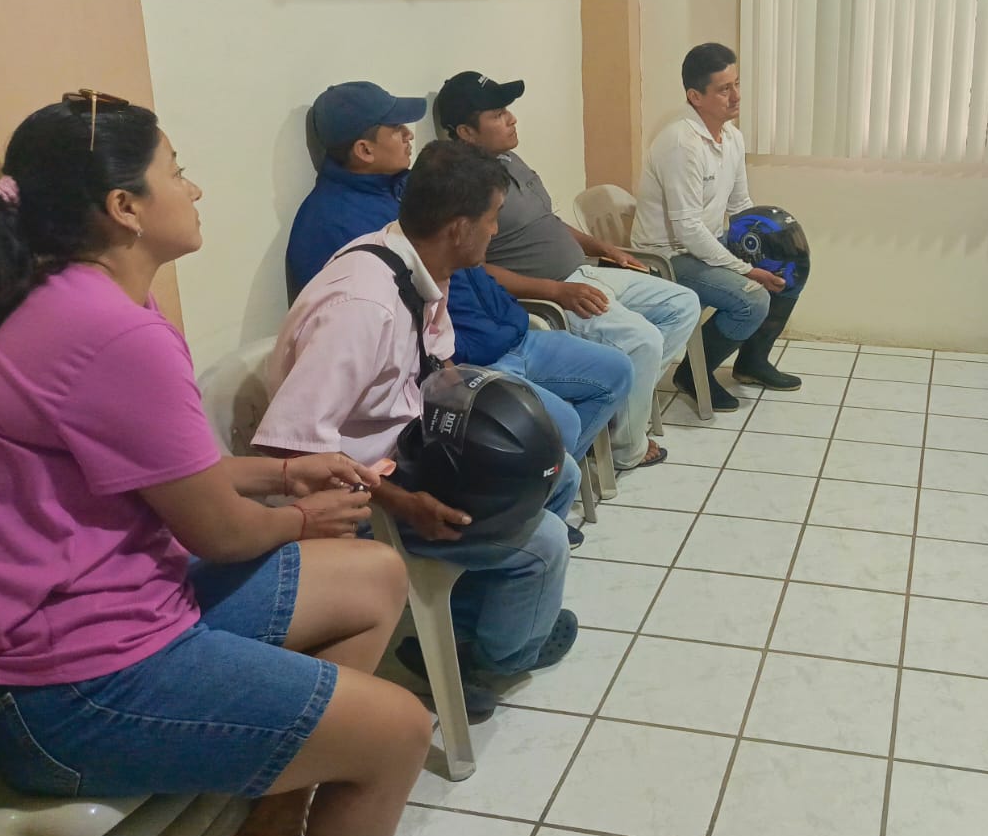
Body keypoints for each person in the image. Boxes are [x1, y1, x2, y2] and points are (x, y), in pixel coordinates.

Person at [0, 94, 431, 836]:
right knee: (400, 731)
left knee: (374, 576)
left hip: (118, 611)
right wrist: (302, 517)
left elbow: (181, 479)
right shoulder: (110, 332)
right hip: (62, 687)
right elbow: (221, 532)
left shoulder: (82, 296)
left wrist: (286, 474)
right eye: (177, 174)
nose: (194, 189)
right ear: (125, 208)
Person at [258, 140, 579, 716]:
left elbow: (437, 367)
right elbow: (290, 451)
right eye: (492, 219)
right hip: (363, 496)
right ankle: (496, 655)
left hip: (407, 446)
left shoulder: (419, 263)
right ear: (459, 228)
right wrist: (404, 504)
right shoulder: (364, 307)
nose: (496, 231)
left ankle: (470, 618)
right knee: (545, 544)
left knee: (557, 468)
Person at [285, 81, 631, 518]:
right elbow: (314, 425)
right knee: (556, 434)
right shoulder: (338, 234)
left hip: (500, 335)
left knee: (612, 375)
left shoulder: (409, 190)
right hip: (453, 377)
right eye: (397, 128)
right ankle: (521, 509)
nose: (409, 135)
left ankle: (526, 503)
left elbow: (449, 299)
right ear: (364, 149)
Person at [436, 70, 701, 469]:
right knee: (643, 340)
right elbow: (476, 270)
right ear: (466, 132)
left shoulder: (509, 160)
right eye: (498, 115)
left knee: (682, 304)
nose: (512, 119)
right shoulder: (463, 187)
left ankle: (619, 411)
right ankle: (626, 449)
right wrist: (555, 291)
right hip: (551, 292)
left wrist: (601, 247)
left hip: (584, 270)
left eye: (508, 110)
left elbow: (548, 220)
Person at [633, 43, 808, 412]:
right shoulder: (681, 144)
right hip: (667, 257)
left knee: (791, 263)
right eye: (724, 89)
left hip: (707, 244)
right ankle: (692, 373)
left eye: (737, 84)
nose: (736, 96)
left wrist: (767, 248)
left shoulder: (731, 137)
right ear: (695, 96)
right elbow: (687, 229)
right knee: (752, 298)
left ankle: (752, 363)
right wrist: (746, 268)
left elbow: (741, 206)